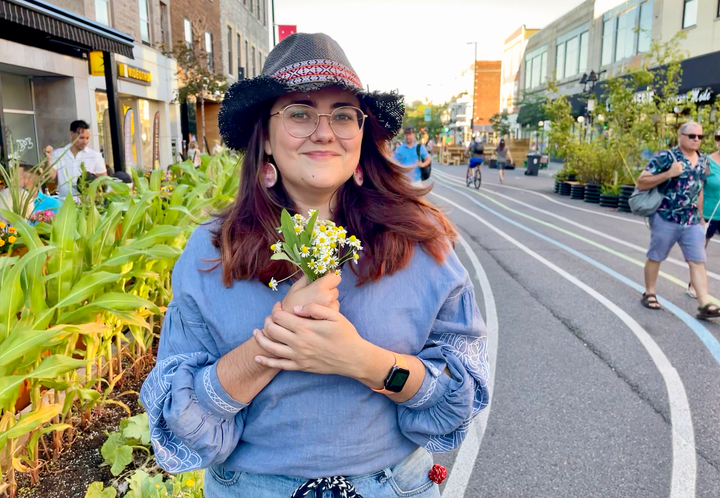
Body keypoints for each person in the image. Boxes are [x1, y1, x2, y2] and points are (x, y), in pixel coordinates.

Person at [139, 32, 488, 498]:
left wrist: (364, 362)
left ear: (362, 140)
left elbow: (455, 399)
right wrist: (277, 340)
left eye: (343, 115)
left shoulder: (420, 245)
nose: (324, 131)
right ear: (263, 137)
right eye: (299, 112)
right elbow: (184, 423)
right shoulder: (210, 253)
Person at [638, 122, 720, 320]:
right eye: (692, 136)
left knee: (697, 261)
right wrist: (669, 173)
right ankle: (649, 292)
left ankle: (704, 303)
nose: (696, 140)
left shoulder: (703, 161)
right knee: (656, 256)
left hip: (691, 220)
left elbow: (698, 189)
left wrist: (700, 216)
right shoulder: (666, 157)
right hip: (666, 216)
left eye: (700, 137)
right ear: (680, 136)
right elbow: (641, 182)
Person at [687, 127, 720, 298]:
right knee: (700, 250)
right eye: (719, 138)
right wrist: (699, 215)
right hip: (708, 213)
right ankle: (693, 284)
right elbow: (699, 187)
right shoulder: (707, 162)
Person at [46, 120, 107, 201]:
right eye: (81, 138)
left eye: (87, 138)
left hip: (87, 202)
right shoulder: (58, 154)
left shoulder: (95, 156)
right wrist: (49, 159)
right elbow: (51, 177)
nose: (85, 141)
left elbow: (103, 180)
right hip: (64, 201)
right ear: (71, 135)